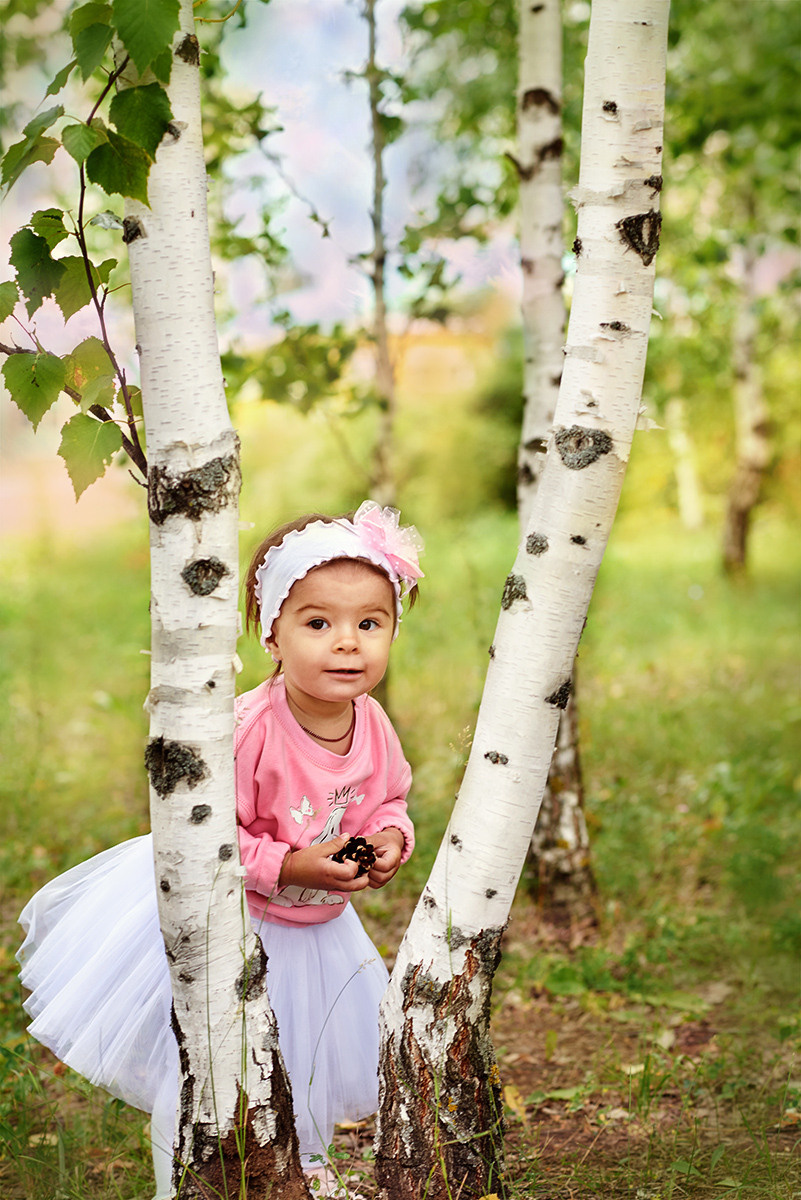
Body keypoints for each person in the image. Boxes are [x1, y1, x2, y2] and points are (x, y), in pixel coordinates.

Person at [17, 499, 423, 1198]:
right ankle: (185, 1179)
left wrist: (390, 839)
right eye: (318, 623)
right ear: (271, 636)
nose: (348, 643)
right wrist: (287, 865)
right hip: (233, 923)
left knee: (307, 1059)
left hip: (317, 933)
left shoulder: (373, 720)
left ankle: (299, 1173)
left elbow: (389, 798)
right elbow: (203, 834)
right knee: (211, 1059)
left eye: (370, 624)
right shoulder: (247, 728)